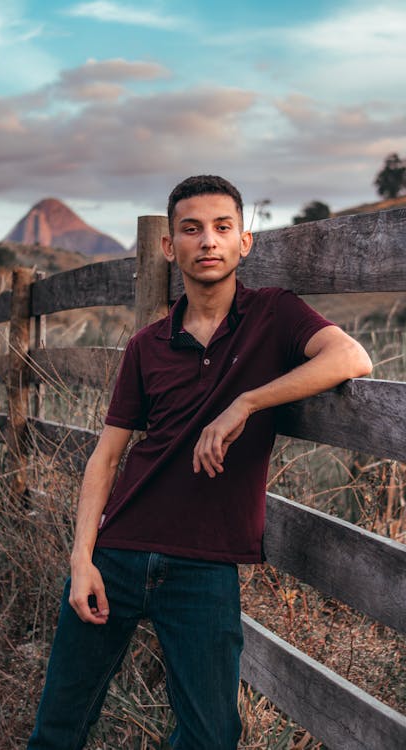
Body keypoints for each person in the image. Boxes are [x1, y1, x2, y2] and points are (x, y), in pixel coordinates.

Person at [27, 175, 372, 750]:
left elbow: (350, 356)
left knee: (212, 736)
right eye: (191, 229)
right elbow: (107, 456)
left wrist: (248, 401)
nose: (207, 240)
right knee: (59, 725)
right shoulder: (148, 345)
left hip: (205, 566)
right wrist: (81, 558)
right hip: (119, 551)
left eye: (221, 227)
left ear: (244, 242)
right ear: (170, 247)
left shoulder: (275, 315)